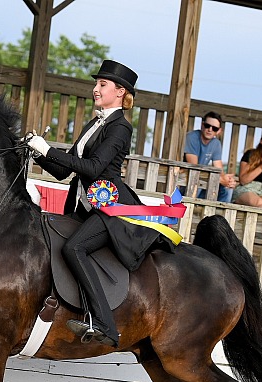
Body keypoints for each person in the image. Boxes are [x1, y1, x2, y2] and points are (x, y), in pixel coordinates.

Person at [27, 60, 175, 348]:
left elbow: (93, 168)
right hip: (84, 207)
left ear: (120, 92)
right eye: (96, 84)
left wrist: (50, 150)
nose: (95, 89)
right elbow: (64, 171)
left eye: (102, 85)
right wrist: (37, 153)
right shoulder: (94, 124)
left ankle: (106, 324)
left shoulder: (120, 128)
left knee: (75, 247)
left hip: (111, 210)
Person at [183, 111, 236, 202]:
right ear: (202, 125)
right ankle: (190, 209)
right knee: (198, 182)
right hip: (186, 180)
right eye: (207, 126)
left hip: (203, 179)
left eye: (214, 128)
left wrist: (227, 180)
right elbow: (194, 168)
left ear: (219, 131)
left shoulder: (216, 143)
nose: (210, 129)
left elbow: (219, 169)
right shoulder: (192, 137)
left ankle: (220, 214)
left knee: (228, 188)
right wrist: (218, 179)